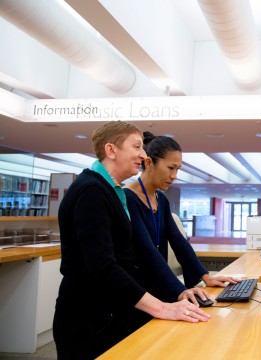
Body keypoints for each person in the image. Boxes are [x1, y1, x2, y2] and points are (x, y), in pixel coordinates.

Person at [53, 121, 210, 360]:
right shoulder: (92, 192)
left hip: (114, 310)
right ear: (111, 150)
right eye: (136, 147)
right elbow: (103, 267)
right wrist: (162, 307)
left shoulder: (109, 190)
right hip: (90, 319)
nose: (143, 154)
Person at [123, 131, 239, 305]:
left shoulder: (160, 198)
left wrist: (205, 276)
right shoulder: (127, 198)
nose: (175, 175)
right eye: (171, 168)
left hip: (160, 282)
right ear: (148, 163)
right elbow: (146, 250)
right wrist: (181, 290)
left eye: (177, 169)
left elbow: (178, 241)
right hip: (139, 291)